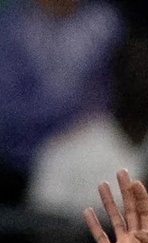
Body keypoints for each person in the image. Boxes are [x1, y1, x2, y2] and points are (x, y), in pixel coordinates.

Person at [27, 35, 148, 223]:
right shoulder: (66, 151)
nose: (140, 77)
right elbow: (46, 232)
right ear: (115, 74)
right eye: (132, 67)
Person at [0, 0, 123, 205]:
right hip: (17, 160)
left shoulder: (105, 23)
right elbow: (7, 106)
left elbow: (110, 95)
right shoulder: (10, 28)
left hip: (86, 157)